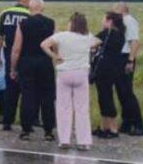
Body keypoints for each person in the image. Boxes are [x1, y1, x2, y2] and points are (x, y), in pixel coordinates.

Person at [41, 13, 100, 150]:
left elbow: (43, 44)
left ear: (71, 24)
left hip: (64, 73)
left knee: (63, 108)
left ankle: (64, 140)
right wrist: (89, 48)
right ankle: (83, 141)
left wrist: (54, 56)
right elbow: (98, 41)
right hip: (81, 73)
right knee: (82, 109)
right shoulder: (87, 37)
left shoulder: (61, 36)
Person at [11, 0, 55, 141]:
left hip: (27, 62)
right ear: (42, 8)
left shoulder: (23, 24)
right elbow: (53, 45)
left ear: (29, 9)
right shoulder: (50, 23)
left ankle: (26, 129)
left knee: (27, 96)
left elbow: (16, 48)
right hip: (45, 62)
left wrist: (13, 68)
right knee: (47, 97)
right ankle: (48, 130)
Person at [0, 0, 31, 130]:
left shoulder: (5, 13)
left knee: (10, 89)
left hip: (9, 53)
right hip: (26, 55)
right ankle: (26, 123)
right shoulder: (29, 15)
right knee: (27, 90)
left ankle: (7, 121)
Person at [92, 12, 127, 139]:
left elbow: (92, 43)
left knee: (105, 97)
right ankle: (104, 126)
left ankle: (112, 128)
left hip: (104, 69)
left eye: (104, 19)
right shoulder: (120, 34)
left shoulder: (108, 33)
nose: (102, 21)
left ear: (110, 21)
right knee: (105, 96)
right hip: (114, 68)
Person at [113, 2, 143, 136]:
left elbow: (134, 41)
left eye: (114, 11)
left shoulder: (129, 21)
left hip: (126, 57)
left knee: (127, 92)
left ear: (121, 10)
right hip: (120, 56)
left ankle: (138, 125)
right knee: (121, 92)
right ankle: (126, 122)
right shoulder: (122, 22)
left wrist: (131, 60)